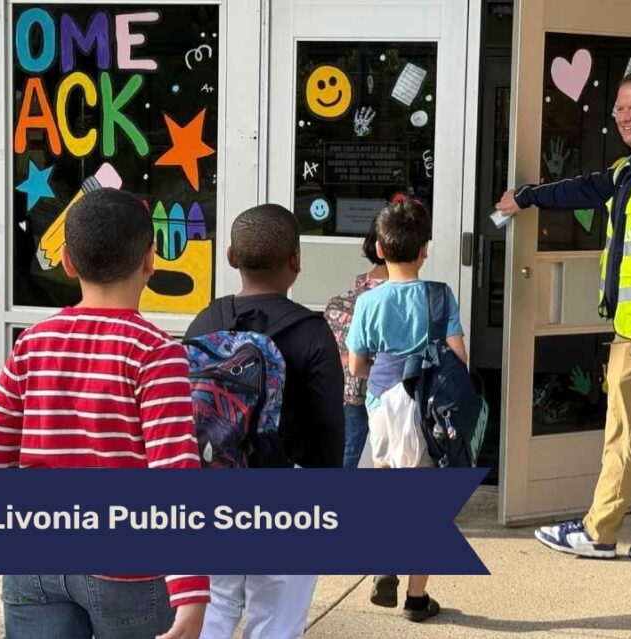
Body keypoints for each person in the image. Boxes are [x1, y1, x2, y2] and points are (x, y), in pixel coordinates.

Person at [0, 189, 209, 639]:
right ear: (151, 260)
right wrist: (190, 590)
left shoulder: (33, 342)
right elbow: (175, 474)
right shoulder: (156, 352)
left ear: (67, 262)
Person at [495, 69, 631, 571]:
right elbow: (584, 189)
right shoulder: (630, 169)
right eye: (618, 108)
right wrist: (526, 197)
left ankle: (599, 531)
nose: (622, 116)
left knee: (624, 432)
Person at [185, 203, 344, 639]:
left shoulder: (205, 321)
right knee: (276, 621)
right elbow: (328, 435)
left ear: (231, 256)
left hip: (212, 488)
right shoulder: (312, 334)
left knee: (212, 611)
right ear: (296, 260)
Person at [346, 199, 466, 622]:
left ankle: (384, 564)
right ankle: (416, 599)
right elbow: (459, 359)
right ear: (424, 250)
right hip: (426, 404)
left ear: (380, 249)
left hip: (383, 402)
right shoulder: (440, 296)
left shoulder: (367, 302)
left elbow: (357, 366)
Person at [325, 217, 388, 468]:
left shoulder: (346, 298)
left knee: (348, 452)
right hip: (383, 388)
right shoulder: (397, 300)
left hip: (345, 389)